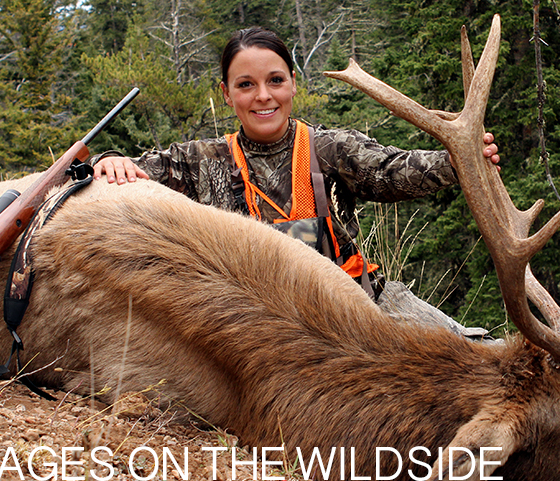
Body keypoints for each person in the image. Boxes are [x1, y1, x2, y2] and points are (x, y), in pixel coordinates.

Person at [92, 27, 500, 338]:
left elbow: (392, 171)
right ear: (227, 93)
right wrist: (108, 159)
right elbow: (126, 171)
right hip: (261, 327)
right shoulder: (199, 160)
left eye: (275, 81)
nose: (263, 96)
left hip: (361, 306)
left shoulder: (330, 148)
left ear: (292, 82)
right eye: (246, 85)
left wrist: (457, 162)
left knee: (474, 353)